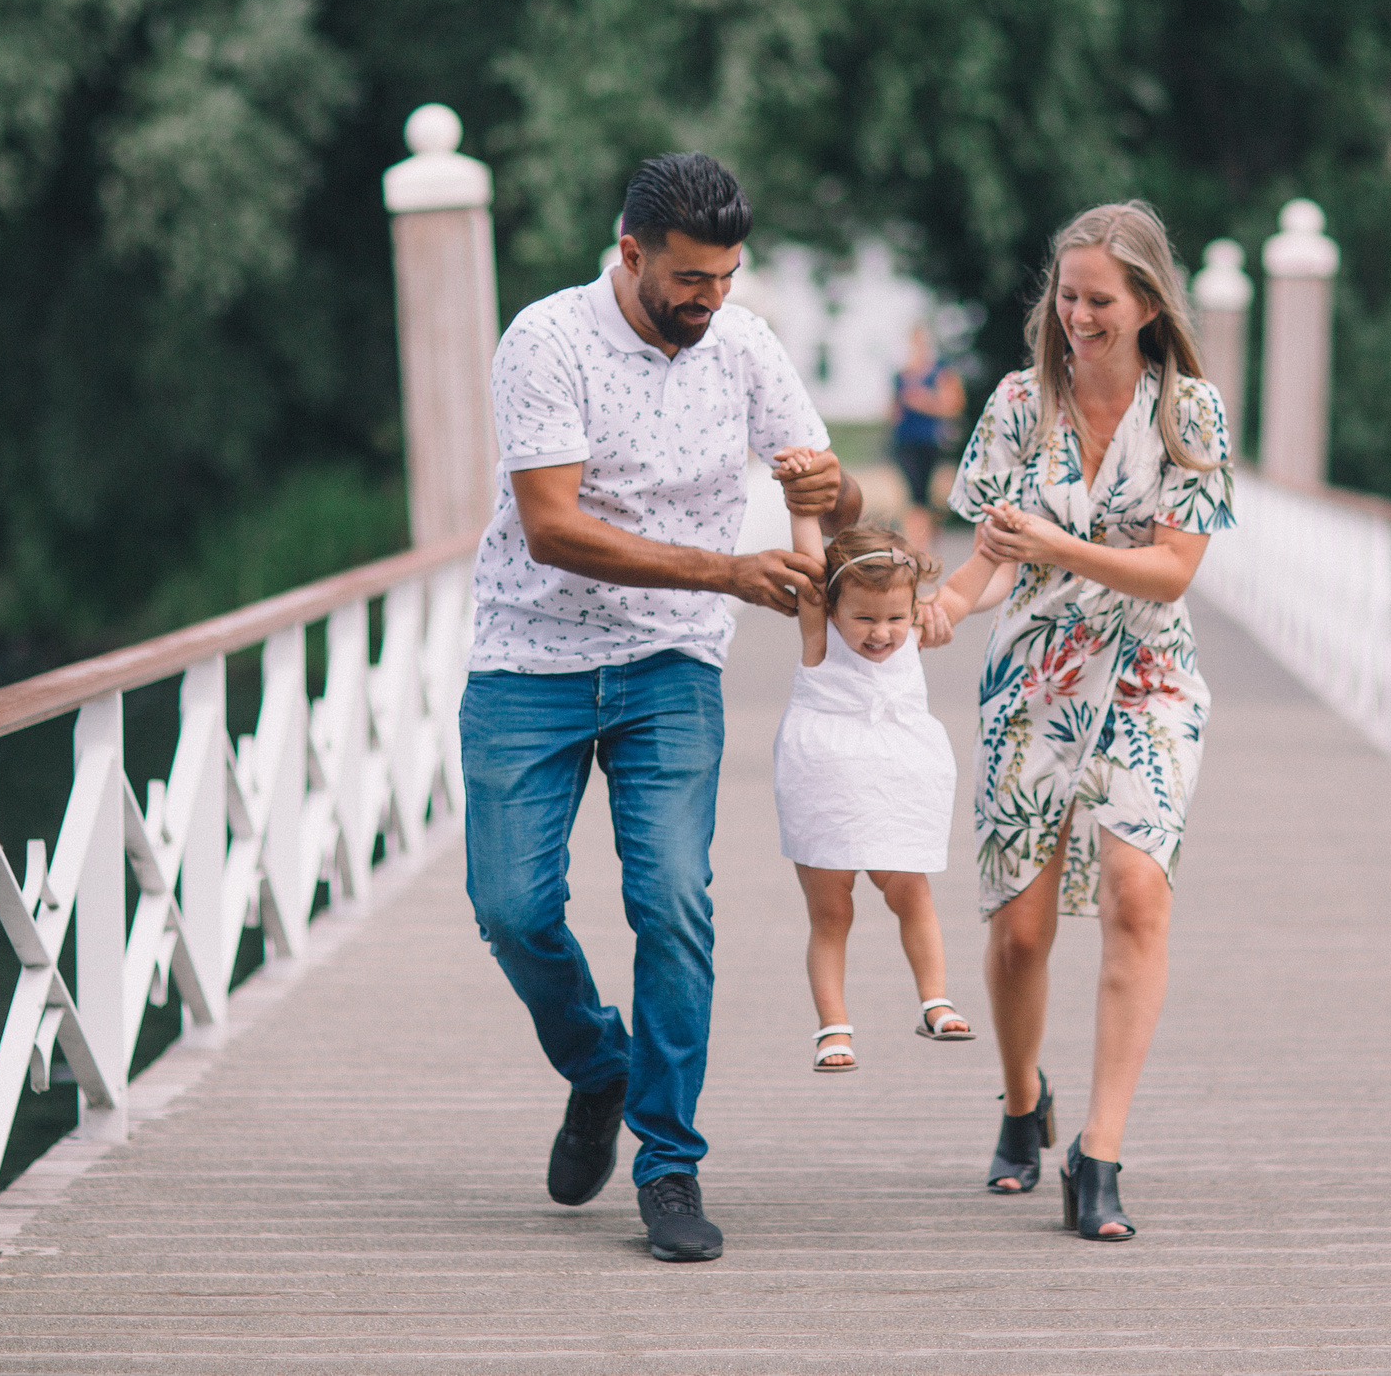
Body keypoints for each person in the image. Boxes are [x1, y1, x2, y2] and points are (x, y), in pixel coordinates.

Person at [461, 151, 862, 1264]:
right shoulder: (545, 341)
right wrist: (726, 570)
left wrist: (838, 495)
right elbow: (552, 525)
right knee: (511, 910)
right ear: (629, 253)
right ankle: (601, 1067)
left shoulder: (742, 343)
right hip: (527, 657)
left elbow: (825, 482)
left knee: (674, 901)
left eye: (727, 276)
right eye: (690, 278)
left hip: (669, 667)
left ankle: (669, 1164)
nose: (710, 299)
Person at [919, 200, 1234, 1243]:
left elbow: (1172, 568)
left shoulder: (1192, 415)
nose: (1079, 318)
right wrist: (943, 605)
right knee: (1020, 929)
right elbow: (985, 563)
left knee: (1139, 895)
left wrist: (1058, 545)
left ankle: (1097, 1154)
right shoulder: (1018, 403)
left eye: (1100, 300)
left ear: (1148, 303)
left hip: (1148, 674)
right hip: (1034, 678)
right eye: (1067, 297)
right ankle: (1022, 1104)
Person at [765, 465, 976, 1073]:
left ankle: (934, 999)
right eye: (864, 619)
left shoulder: (912, 633)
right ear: (833, 607)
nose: (881, 634)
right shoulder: (820, 636)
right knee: (833, 911)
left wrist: (996, 544)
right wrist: (801, 498)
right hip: (825, 780)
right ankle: (833, 1027)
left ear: (911, 609)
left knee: (912, 890)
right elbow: (809, 559)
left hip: (898, 777)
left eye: (894, 619)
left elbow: (973, 580)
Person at [890, 324, 965, 554]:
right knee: (914, 493)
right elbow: (893, 410)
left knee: (927, 493)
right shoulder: (900, 375)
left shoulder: (941, 372)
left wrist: (923, 402)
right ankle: (917, 544)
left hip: (931, 441)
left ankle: (926, 539)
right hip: (905, 441)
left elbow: (954, 406)